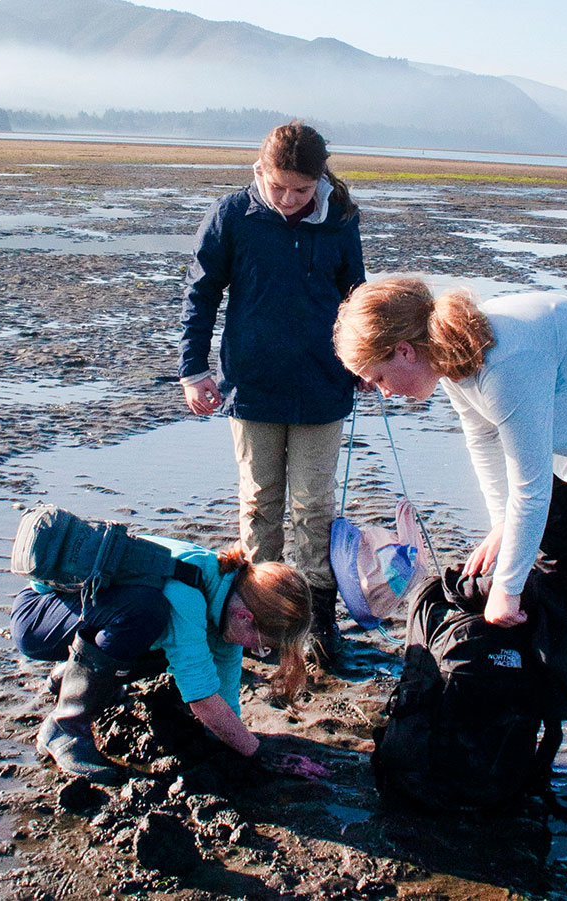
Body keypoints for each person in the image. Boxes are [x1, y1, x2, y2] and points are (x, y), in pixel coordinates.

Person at [332, 276, 567, 836]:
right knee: (545, 587)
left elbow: (531, 486)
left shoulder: (503, 360)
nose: (382, 392)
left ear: (403, 350)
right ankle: (524, 750)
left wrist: (505, 585)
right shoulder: (448, 358)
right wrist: (502, 532)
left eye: (378, 378)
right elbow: (485, 445)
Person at [177, 121, 366, 667]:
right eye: (277, 186)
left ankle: (314, 620)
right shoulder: (233, 214)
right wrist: (194, 371)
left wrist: (363, 363)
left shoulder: (341, 220)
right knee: (260, 504)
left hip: (323, 387)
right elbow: (202, 293)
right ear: (259, 172)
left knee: (314, 507)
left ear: (320, 182)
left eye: (301, 190)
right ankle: (260, 614)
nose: (287, 200)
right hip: (252, 386)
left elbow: (356, 297)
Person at [11, 533, 315, 783]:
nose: (259, 652)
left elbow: (221, 697)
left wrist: (239, 744)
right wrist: (259, 753)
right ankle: (65, 727)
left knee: (180, 647)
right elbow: (203, 700)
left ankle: (77, 676)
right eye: (264, 646)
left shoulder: (230, 596)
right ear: (245, 616)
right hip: (39, 613)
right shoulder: (189, 595)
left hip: (93, 611)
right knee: (147, 612)